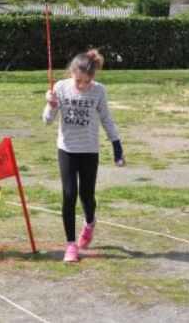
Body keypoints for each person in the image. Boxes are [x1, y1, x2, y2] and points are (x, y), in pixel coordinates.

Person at [43, 49, 125, 262]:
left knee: (86, 196)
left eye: (86, 82)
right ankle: (71, 245)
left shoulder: (99, 92)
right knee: (69, 194)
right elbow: (47, 120)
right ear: (71, 73)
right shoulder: (60, 88)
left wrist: (117, 146)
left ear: (93, 78)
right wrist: (50, 104)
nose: (82, 86)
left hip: (89, 151)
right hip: (67, 150)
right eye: (79, 80)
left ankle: (90, 223)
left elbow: (106, 119)